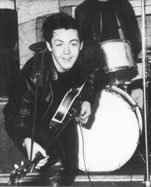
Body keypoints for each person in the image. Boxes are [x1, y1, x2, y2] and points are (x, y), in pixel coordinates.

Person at [3, 12, 103, 186]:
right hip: (37, 123)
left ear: (81, 45)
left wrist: (87, 99)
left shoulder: (90, 54)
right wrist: (28, 141)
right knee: (54, 174)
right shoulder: (33, 74)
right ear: (49, 46)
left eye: (73, 44)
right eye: (59, 44)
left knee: (71, 167)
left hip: (63, 116)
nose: (67, 52)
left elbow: (96, 71)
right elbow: (14, 118)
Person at [75, 0, 143, 109]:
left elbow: (135, 42)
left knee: (138, 97)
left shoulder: (123, 5)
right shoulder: (83, 10)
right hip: (95, 72)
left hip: (124, 71)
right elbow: (84, 47)